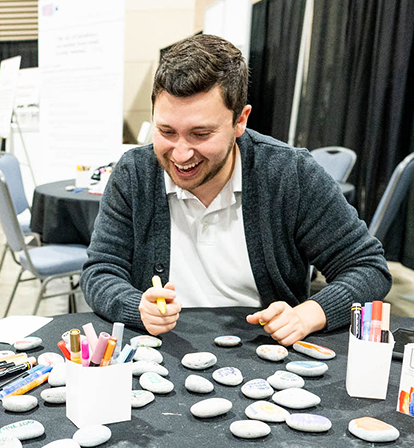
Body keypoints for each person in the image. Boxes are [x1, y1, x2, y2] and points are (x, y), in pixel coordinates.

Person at [81, 34, 392, 344]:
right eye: (166, 131)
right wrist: (137, 306)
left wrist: (306, 315)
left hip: (266, 353)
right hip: (160, 353)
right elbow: (101, 271)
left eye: (201, 134)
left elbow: (367, 267)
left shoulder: (289, 174)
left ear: (240, 120)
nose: (181, 154)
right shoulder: (134, 173)